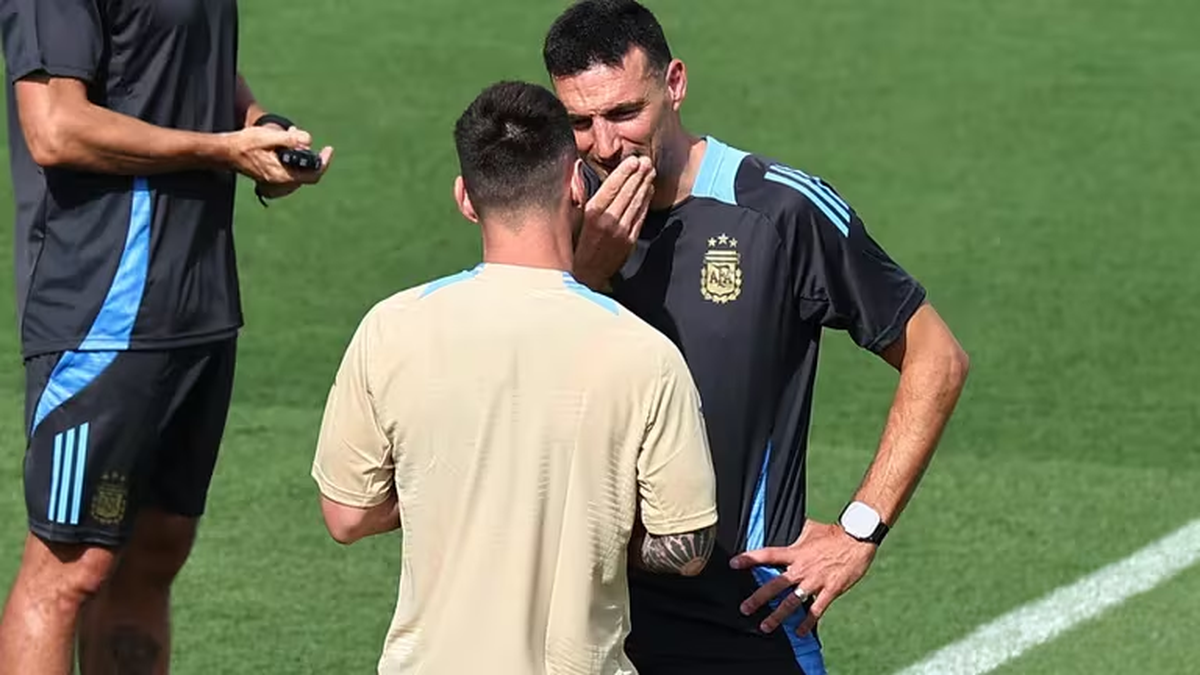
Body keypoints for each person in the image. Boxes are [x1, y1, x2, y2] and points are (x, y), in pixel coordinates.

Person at [542, 2, 971, 674]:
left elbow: (936, 357)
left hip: (740, 618)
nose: (602, 144)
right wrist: (585, 274)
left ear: (674, 83)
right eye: (579, 122)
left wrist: (860, 530)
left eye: (625, 112)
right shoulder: (550, 219)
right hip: (583, 620)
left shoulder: (778, 211)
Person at [310, 80, 720, 675]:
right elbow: (686, 550)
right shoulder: (644, 353)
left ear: (465, 198)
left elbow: (346, 516)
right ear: (575, 184)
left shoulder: (390, 328)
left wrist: (460, 487)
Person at [0, 1, 333, 673]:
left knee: (154, 553)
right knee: (71, 565)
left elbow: (181, 67)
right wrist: (220, 150)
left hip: (199, 297)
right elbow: (55, 127)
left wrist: (257, 127)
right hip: (104, 307)